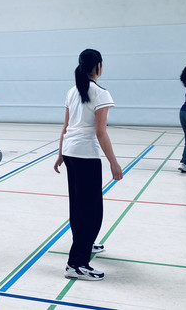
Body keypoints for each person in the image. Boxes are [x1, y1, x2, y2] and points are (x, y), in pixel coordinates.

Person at [53, 49, 123, 281]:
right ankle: (76, 264)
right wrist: (114, 163)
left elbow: (65, 127)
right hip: (85, 155)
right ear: (99, 66)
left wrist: (60, 153)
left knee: (78, 206)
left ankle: (85, 244)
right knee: (92, 212)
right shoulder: (100, 93)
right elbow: (100, 132)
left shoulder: (72, 91)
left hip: (71, 152)